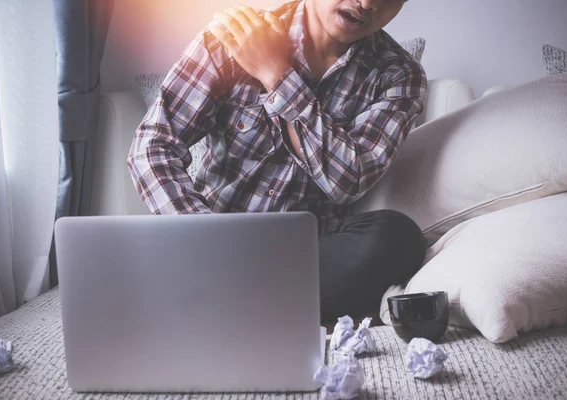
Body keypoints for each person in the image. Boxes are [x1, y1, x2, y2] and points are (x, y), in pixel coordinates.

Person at [127, 0, 427, 326]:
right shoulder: (231, 37)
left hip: (306, 257)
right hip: (215, 242)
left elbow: (347, 181)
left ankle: (230, 307)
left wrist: (277, 75)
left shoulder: (400, 76)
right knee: (139, 261)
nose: (368, 3)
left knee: (398, 236)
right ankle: (263, 310)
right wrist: (207, 241)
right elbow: (151, 147)